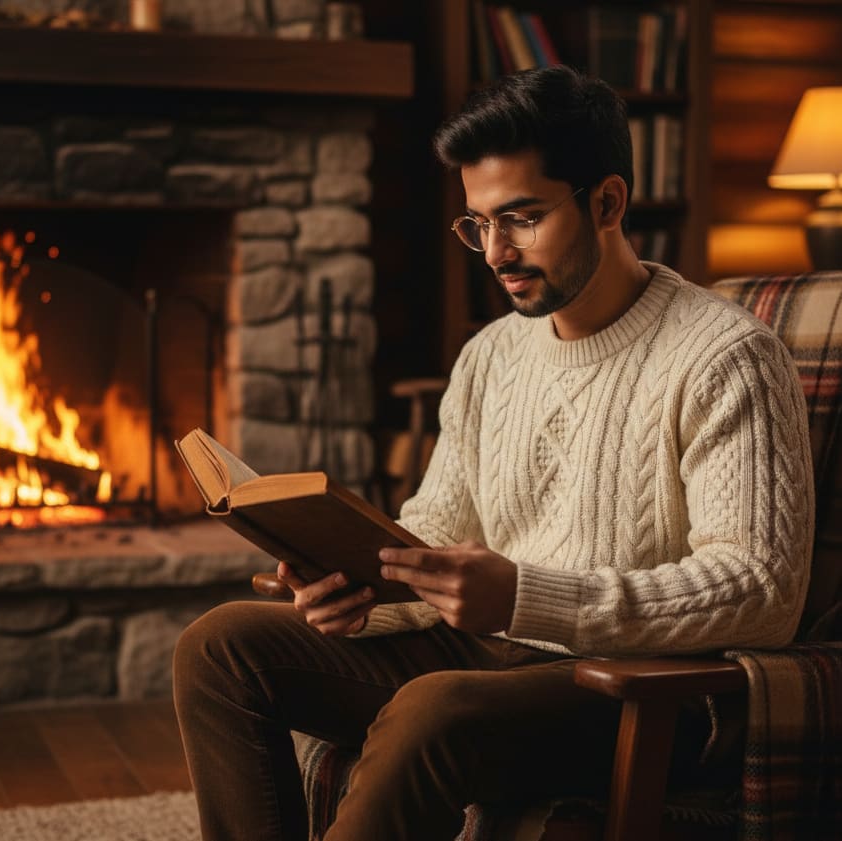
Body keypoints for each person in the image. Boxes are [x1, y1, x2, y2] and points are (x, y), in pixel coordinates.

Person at [173, 65, 814, 841]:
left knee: (432, 705)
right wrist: (358, 591)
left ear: (607, 201)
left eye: (520, 218)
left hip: (636, 687)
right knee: (219, 647)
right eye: (477, 223)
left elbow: (760, 590)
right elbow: (434, 526)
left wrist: (522, 597)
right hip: (480, 650)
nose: (494, 252)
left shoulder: (725, 356)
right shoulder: (490, 356)